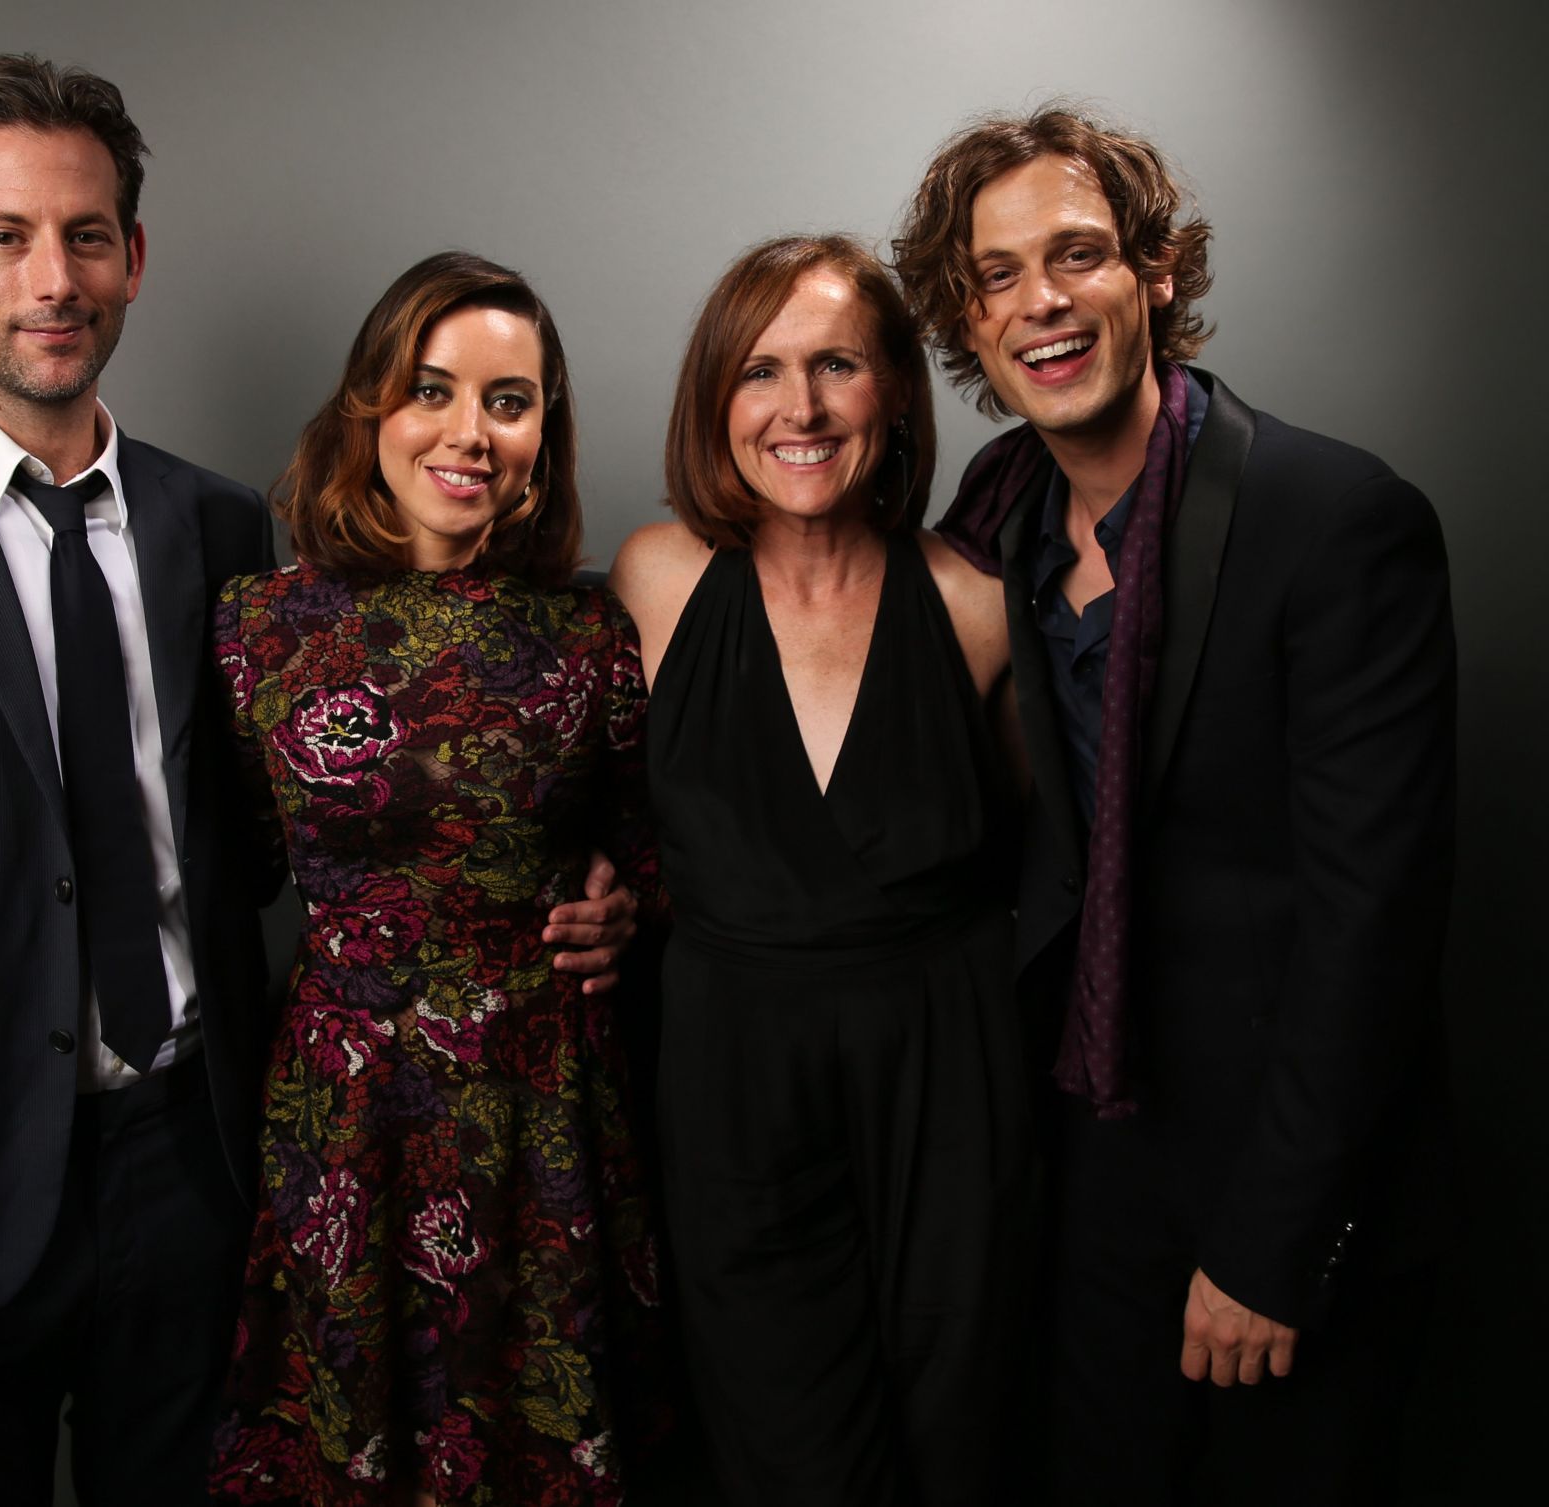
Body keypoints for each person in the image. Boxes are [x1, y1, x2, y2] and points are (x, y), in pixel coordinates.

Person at [0, 59, 630, 1506]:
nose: (51, 277)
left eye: (85, 236)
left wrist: (588, 884)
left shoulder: (221, 533)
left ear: (133, 259)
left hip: (204, 1174)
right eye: (5, 235)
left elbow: (312, 821)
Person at [893, 106, 1455, 1504]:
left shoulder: (1335, 519)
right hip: (1086, 1155)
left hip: (1281, 1175)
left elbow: (1370, 923)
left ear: (1153, 271)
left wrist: (1275, 1239)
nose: (1044, 302)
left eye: (1078, 254)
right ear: (968, 318)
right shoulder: (1001, 512)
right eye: (1002, 274)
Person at [207, 252, 667, 1506]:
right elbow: (232, 871)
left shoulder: (591, 634)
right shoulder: (258, 628)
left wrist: (624, 909)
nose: (471, 432)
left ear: (542, 434)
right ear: (373, 405)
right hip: (345, 1118)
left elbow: (655, 859)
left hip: (542, 1113)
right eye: (433, 389)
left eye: (510, 401)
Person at [609, 235, 1032, 1506]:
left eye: (837, 364)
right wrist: (600, 880)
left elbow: (1071, 862)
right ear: (714, 402)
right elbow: (550, 765)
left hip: (952, 1086)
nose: (798, 409)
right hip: (731, 1080)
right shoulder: (658, 578)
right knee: (781, 1452)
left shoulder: (977, 603)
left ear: (895, 390)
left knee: (963, 1436)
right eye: (761, 371)